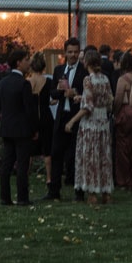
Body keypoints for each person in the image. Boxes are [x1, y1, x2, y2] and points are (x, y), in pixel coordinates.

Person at [70, 49, 115, 205]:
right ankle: (106, 193)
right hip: (103, 124)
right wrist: (81, 97)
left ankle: (92, 193)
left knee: (91, 158)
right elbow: (109, 102)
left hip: (91, 125)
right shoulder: (105, 79)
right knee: (103, 158)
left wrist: (72, 121)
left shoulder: (88, 80)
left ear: (86, 63)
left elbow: (88, 107)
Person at [0, 47, 37, 206]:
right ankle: (22, 197)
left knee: (6, 164)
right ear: (19, 63)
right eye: (26, 60)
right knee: (22, 165)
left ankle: (5, 197)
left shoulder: (2, 83)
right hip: (22, 130)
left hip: (7, 128)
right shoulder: (24, 84)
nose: (29, 63)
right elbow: (30, 110)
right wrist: (34, 129)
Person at [47, 37, 84, 201]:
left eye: (76, 52)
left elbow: (88, 94)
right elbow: (52, 93)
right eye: (70, 52)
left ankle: (79, 191)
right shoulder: (59, 70)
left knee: (77, 154)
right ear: (65, 53)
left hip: (77, 117)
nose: (73, 55)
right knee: (56, 153)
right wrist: (62, 92)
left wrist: (75, 93)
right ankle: (54, 190)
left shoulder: (84, 71)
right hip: (62, 117)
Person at [112, 52, 132, 192]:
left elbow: (117, 99)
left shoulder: (122, 80)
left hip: (125, 112)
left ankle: (124, 179)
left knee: (123, 148)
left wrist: (115, 113)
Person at [27, 53, 55, 188]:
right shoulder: (48, 82)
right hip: (46, 116)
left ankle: (25, 174)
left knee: (29, 150)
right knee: (47, 150)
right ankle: (49, 178)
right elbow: (52, 98)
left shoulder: (28, 82)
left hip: (32, 118)